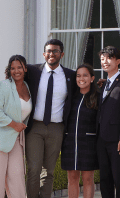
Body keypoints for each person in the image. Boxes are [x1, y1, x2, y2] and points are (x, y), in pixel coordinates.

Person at [25, 39, 76, 198]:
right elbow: (15, 75)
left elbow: (85, 86)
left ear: (62, 54)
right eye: (48, 51)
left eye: (55, 51)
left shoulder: (70, 75)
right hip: (35, 127)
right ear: (43, 54)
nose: (51, 54)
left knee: (49, 171)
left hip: (56, 128)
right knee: (34, 169)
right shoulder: (33, 71)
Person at [0, 55, 31, 198]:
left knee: (17, 179)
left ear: (25, 69)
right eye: (12, 68)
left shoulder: (28, 87)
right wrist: (14, 125)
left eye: (19, 67)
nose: (16, 71)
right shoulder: (3, 86)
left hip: (15, 140)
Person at [96, 46, 120, 198]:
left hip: (117, 141)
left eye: (108, 58)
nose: (104, 61)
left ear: (118, 61)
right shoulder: (104, 84)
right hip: (101, 139)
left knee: (119, 179)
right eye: (102, 59)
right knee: (104, 179)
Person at [60, 63, 99, 198]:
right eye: (78, 75)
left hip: (89, 144)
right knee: (72, 178)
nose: (81, 78)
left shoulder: (97, 98)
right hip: (70, 142)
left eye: (85, 75)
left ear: (92, 78)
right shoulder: (70, 97)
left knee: (88, 179)